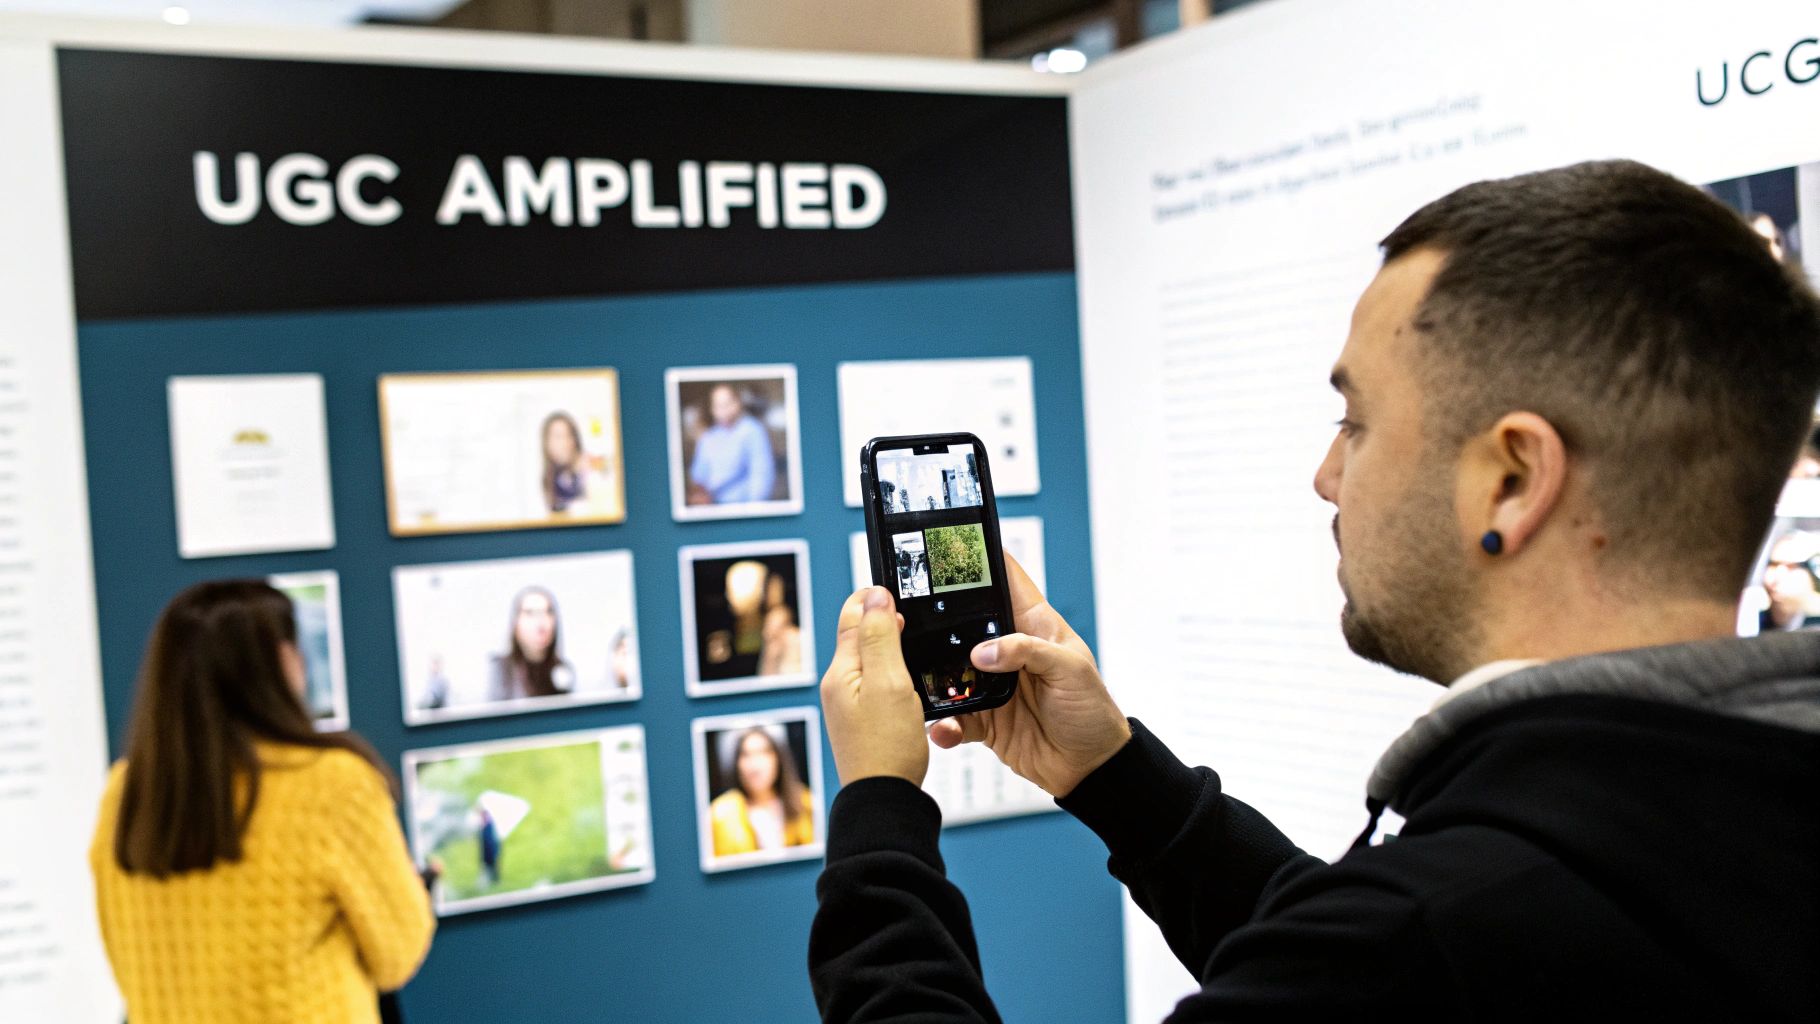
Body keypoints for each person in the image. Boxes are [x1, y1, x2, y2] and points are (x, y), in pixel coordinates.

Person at [810, 160, 1820, 1021]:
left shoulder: (1429, 929)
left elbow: (1380, 952)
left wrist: (879, 812)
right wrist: (1113, 776)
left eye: (1356, 423)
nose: (1325, 475)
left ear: (1511, 479)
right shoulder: (1725, 811)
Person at [91, 581, 434, 1024]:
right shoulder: (331, 785)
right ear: (283, 660)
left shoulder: (127, 791)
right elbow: (398, 956)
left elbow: (123, 959)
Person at [709, 726, 816, 857]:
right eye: (746, 755)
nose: (755, 765)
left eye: (764, 752)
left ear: (778, 758)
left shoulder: (806, 801)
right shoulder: (719, 814)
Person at [687, 383, 778, 505]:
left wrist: (754, 510)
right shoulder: (708, 437)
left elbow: (762, 475)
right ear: (712, 409)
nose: (723, 410)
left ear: (737, 403)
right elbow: (698, 476)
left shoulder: (752, 430)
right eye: (718, 406)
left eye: (726, 404)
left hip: (743, 508)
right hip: (713, 509)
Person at [488, 586, 574, 701]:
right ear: (515, 623)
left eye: (548, 612)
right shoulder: (498, 670)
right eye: (530, 613)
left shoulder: (564, 671)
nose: (541, 623)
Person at [1758, 530, 1820, 631]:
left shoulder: (1815, 628)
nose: (1777, 577)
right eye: (1773, 565)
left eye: (1791, 566)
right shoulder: (1750, 625)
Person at [541, 411, 588, 513]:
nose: (565, 443)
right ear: (547, 443)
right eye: (558, 437)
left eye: (569, 435)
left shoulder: (588, 471)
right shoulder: (550, 478)